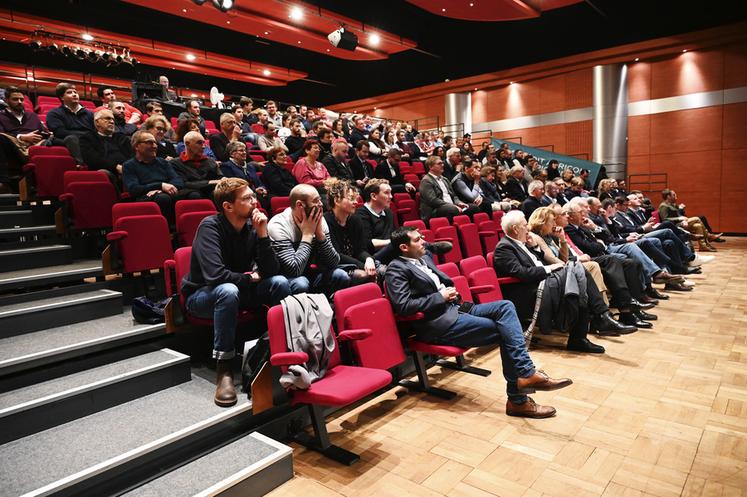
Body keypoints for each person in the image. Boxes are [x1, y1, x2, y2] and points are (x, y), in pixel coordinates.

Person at [386, 225, 572, 418]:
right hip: (439, 322)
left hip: (458, 308)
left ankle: (525, 377)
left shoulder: (424, 257)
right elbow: (404, 305)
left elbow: (442, 247)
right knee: (504, 331)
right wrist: (440, 296)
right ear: (403, 248)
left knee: (506, 306)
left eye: (422, 237)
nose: (423, 241)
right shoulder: (396, 269)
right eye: (417, 240)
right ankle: (519, 396)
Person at [182, 177, 291, 407]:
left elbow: (271, 271)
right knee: (227, 291)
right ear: (228, 206)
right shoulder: (209, 227)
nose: (255, 202)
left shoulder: (253, 227)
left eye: (254, 196)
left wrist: (262, 235)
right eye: (247, 198)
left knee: (280, 282)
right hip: (202, 296)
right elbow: (215, 276)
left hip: (238, 290)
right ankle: (225, 369)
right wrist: (250, 277)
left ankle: (278, 350)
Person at [492, 211, 607, 353]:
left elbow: (536, 261)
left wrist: (534, 247)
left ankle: (586, 331)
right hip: (531, 291)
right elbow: (522, 273)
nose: (528, 228)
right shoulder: (504, 248)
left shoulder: (522, 243)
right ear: (516, 229)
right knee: (576, 271)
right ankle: (599, 317)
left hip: (545, 282)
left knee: (577, 276)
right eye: (525, 225)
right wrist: (549, 269)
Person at [267, 184, 350, 296]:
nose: (321, 204)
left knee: (341, 275)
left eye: (320, 200)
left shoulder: (319, 219)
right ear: (300, 205)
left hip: (309, 273)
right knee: (301, 283)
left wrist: (320, 234)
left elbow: (333, 263)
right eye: (316, 201)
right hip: (286, 278)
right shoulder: (278, 225)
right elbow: (294, 270)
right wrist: (307, 235)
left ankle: (329, 309)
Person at [122, 130, 200, 222]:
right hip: (145, 196)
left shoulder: (163, 162)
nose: (154, 146)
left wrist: (164, 188)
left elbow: (178, 181)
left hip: (167, 192)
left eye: (155, 142)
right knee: (163, 198)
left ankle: (190, 227)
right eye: (149, 142)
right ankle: (168, 230)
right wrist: (160, 185)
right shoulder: (129, 166)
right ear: (136, 146)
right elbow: (134, 189)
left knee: (194, 195)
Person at [322, 178, 377, 286]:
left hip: (355, 262)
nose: (356, 202)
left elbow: (360, 250)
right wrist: (362, 265)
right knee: (364, 275)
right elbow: (337, 255)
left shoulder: (355, 220)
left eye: (355, 198)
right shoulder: (326, 222)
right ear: (337, 200)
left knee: (382, 270)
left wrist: (369, 259)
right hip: (336, 266)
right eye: (351, 198)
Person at [0, 86, 47, 191]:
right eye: (15, 99)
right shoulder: (1, 116)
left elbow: (42, 131)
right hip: (12, 145)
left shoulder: (32, 115)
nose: (20, 102)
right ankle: (4, 182)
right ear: (6, 100)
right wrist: (22, 137)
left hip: (35, 145)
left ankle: (45, 184)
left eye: (21, 99)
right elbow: (2, 133)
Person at [45, 82, 94, 164]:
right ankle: (81, 164)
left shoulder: (89, 113)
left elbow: (95, 131)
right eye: (69, 92)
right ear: (62, 97)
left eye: (75, 92)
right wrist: (86, 135)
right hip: (66, 140)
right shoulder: (54, 113)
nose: (74, 94)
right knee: (71, 138)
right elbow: (60, 132)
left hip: (88, 140)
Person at [419, 155, 479, 221]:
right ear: (430, 167)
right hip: (435, 209)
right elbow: (433, 200)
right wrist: (451, 205)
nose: (442, 165)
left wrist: (459, 203)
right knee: (452, 210)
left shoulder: (445, 179)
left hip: (451, 206)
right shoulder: (426, 181)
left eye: (442, 163)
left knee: (473, 207)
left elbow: (454, 196)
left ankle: (470, 229)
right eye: (439, 163)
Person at [79, 109, 132, 180]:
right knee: (103, 173)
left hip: (126, 170)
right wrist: (115, 167)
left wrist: (126, 168)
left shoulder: (121, 137)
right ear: (97, 122)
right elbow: (93, 160)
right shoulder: (87, 138)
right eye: (108, 118)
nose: (112, 121)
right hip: (107, 171)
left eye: (113, 119)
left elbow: (131, 156)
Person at [170, 131, 223, 197]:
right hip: (189, 194)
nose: (203, 146)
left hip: (209, 191)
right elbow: (183, 184)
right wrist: (209, 182)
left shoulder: (210, 161)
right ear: (187, 144)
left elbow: (220, 179)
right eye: (199, 143)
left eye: (204, 143)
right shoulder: (175, 163)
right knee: (194, 194)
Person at [219, 141, 268, 208]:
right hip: (241, 198)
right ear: (232, 154)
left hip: (257, 197)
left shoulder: (250, 166)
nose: (244, 152)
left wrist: (262, 188)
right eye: (241, 150)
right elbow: (234, 187)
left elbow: (259, 182)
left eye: (245, 150)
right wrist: (254, 191)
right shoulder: (226, 167)